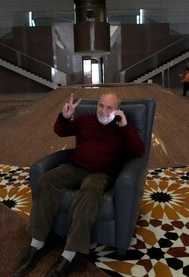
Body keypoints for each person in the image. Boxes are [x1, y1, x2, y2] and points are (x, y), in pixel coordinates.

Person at [13, 92, 145, 277]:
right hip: (75, 167)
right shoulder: (86, 120)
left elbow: (138, 151)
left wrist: (124, 126)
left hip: (100, 174)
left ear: (117, 110)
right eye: (101, 105)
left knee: (90, 192)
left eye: (109, 107)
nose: (103, 110)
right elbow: (61, 131)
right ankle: (37, 245)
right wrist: (65, 117)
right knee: (47, 179)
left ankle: (68, 256)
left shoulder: (121, 127)